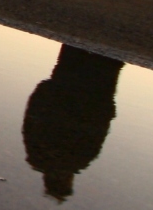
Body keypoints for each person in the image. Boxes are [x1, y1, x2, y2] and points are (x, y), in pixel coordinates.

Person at [21, 44, 125, 201]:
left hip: (93, 93)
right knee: (78, 45)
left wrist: (108, 108)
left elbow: (98, 131)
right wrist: (42, 90)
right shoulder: (38, 154)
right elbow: (31, 120)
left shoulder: (75, 160)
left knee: (110, 46)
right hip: (68, 87)